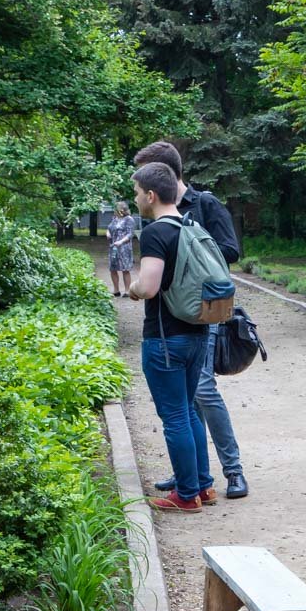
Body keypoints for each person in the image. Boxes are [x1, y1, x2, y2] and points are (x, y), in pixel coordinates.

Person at [132, 141, 248, 500]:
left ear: (156, 186)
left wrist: (181, 262)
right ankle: (199, 480)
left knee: (194, 401)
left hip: (186, 322)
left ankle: (222, 476)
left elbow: (229, 251)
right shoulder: (177, 221)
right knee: (188, 407)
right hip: (192, 323)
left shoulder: (200, 208)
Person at [127, 162, 216, 511]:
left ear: (150, 195)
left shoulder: (155, 232)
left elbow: (148, 287)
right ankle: (203, 486)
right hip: (197, 333)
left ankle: (186, 495)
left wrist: (132, 289)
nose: (135, 199)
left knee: (175, 416)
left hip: (165, 339)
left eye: (136, 192)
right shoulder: (190, 225)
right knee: (190, 411)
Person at [106, 201, 135, 296]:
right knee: (112, 268)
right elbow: (109, 227)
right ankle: (116, 290)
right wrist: (108, 233)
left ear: (122, 209)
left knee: (125, 269)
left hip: (124, 248)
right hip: (113, 247)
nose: (115, 211)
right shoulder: (114, 218)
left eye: (116, 209)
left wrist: (121, 241)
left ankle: (127, 291)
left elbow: (130, 234)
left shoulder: (129, 219)